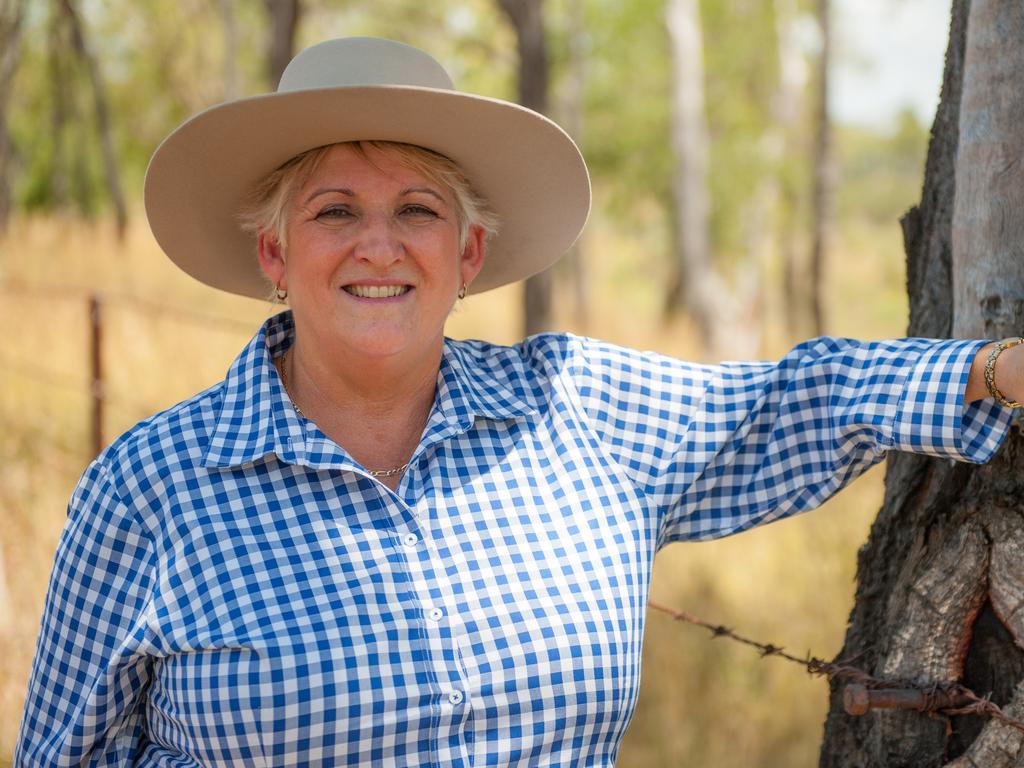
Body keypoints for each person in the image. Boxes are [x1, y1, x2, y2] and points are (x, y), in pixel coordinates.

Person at [14, 36, 1023, 767]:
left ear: (469, 254)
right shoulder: (151, 486)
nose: (379, 244)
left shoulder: (574, 408)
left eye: (417, 210)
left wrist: (989, 370)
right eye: (334, 212)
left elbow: (793, 402)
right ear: (274, 254)